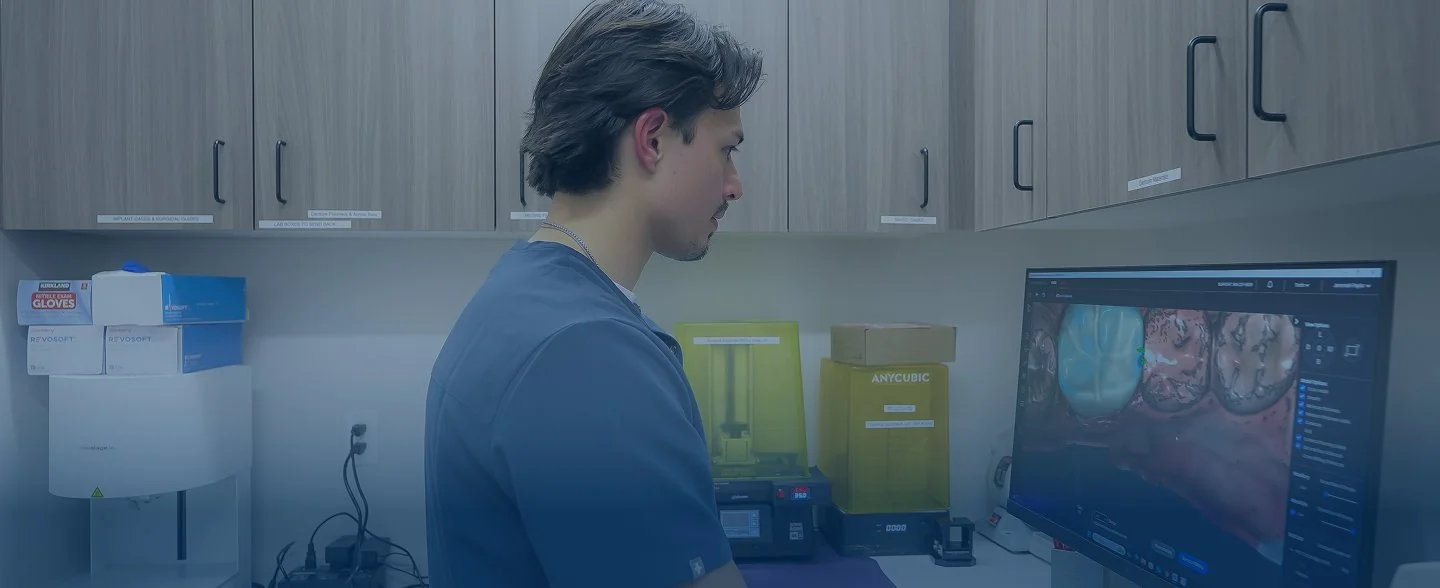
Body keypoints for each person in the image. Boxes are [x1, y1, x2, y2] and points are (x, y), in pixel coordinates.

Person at [423, 0, 762, 586]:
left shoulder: (522, 291)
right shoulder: (587, 353)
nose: (735, 185)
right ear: (652, 138)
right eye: (726, 150)